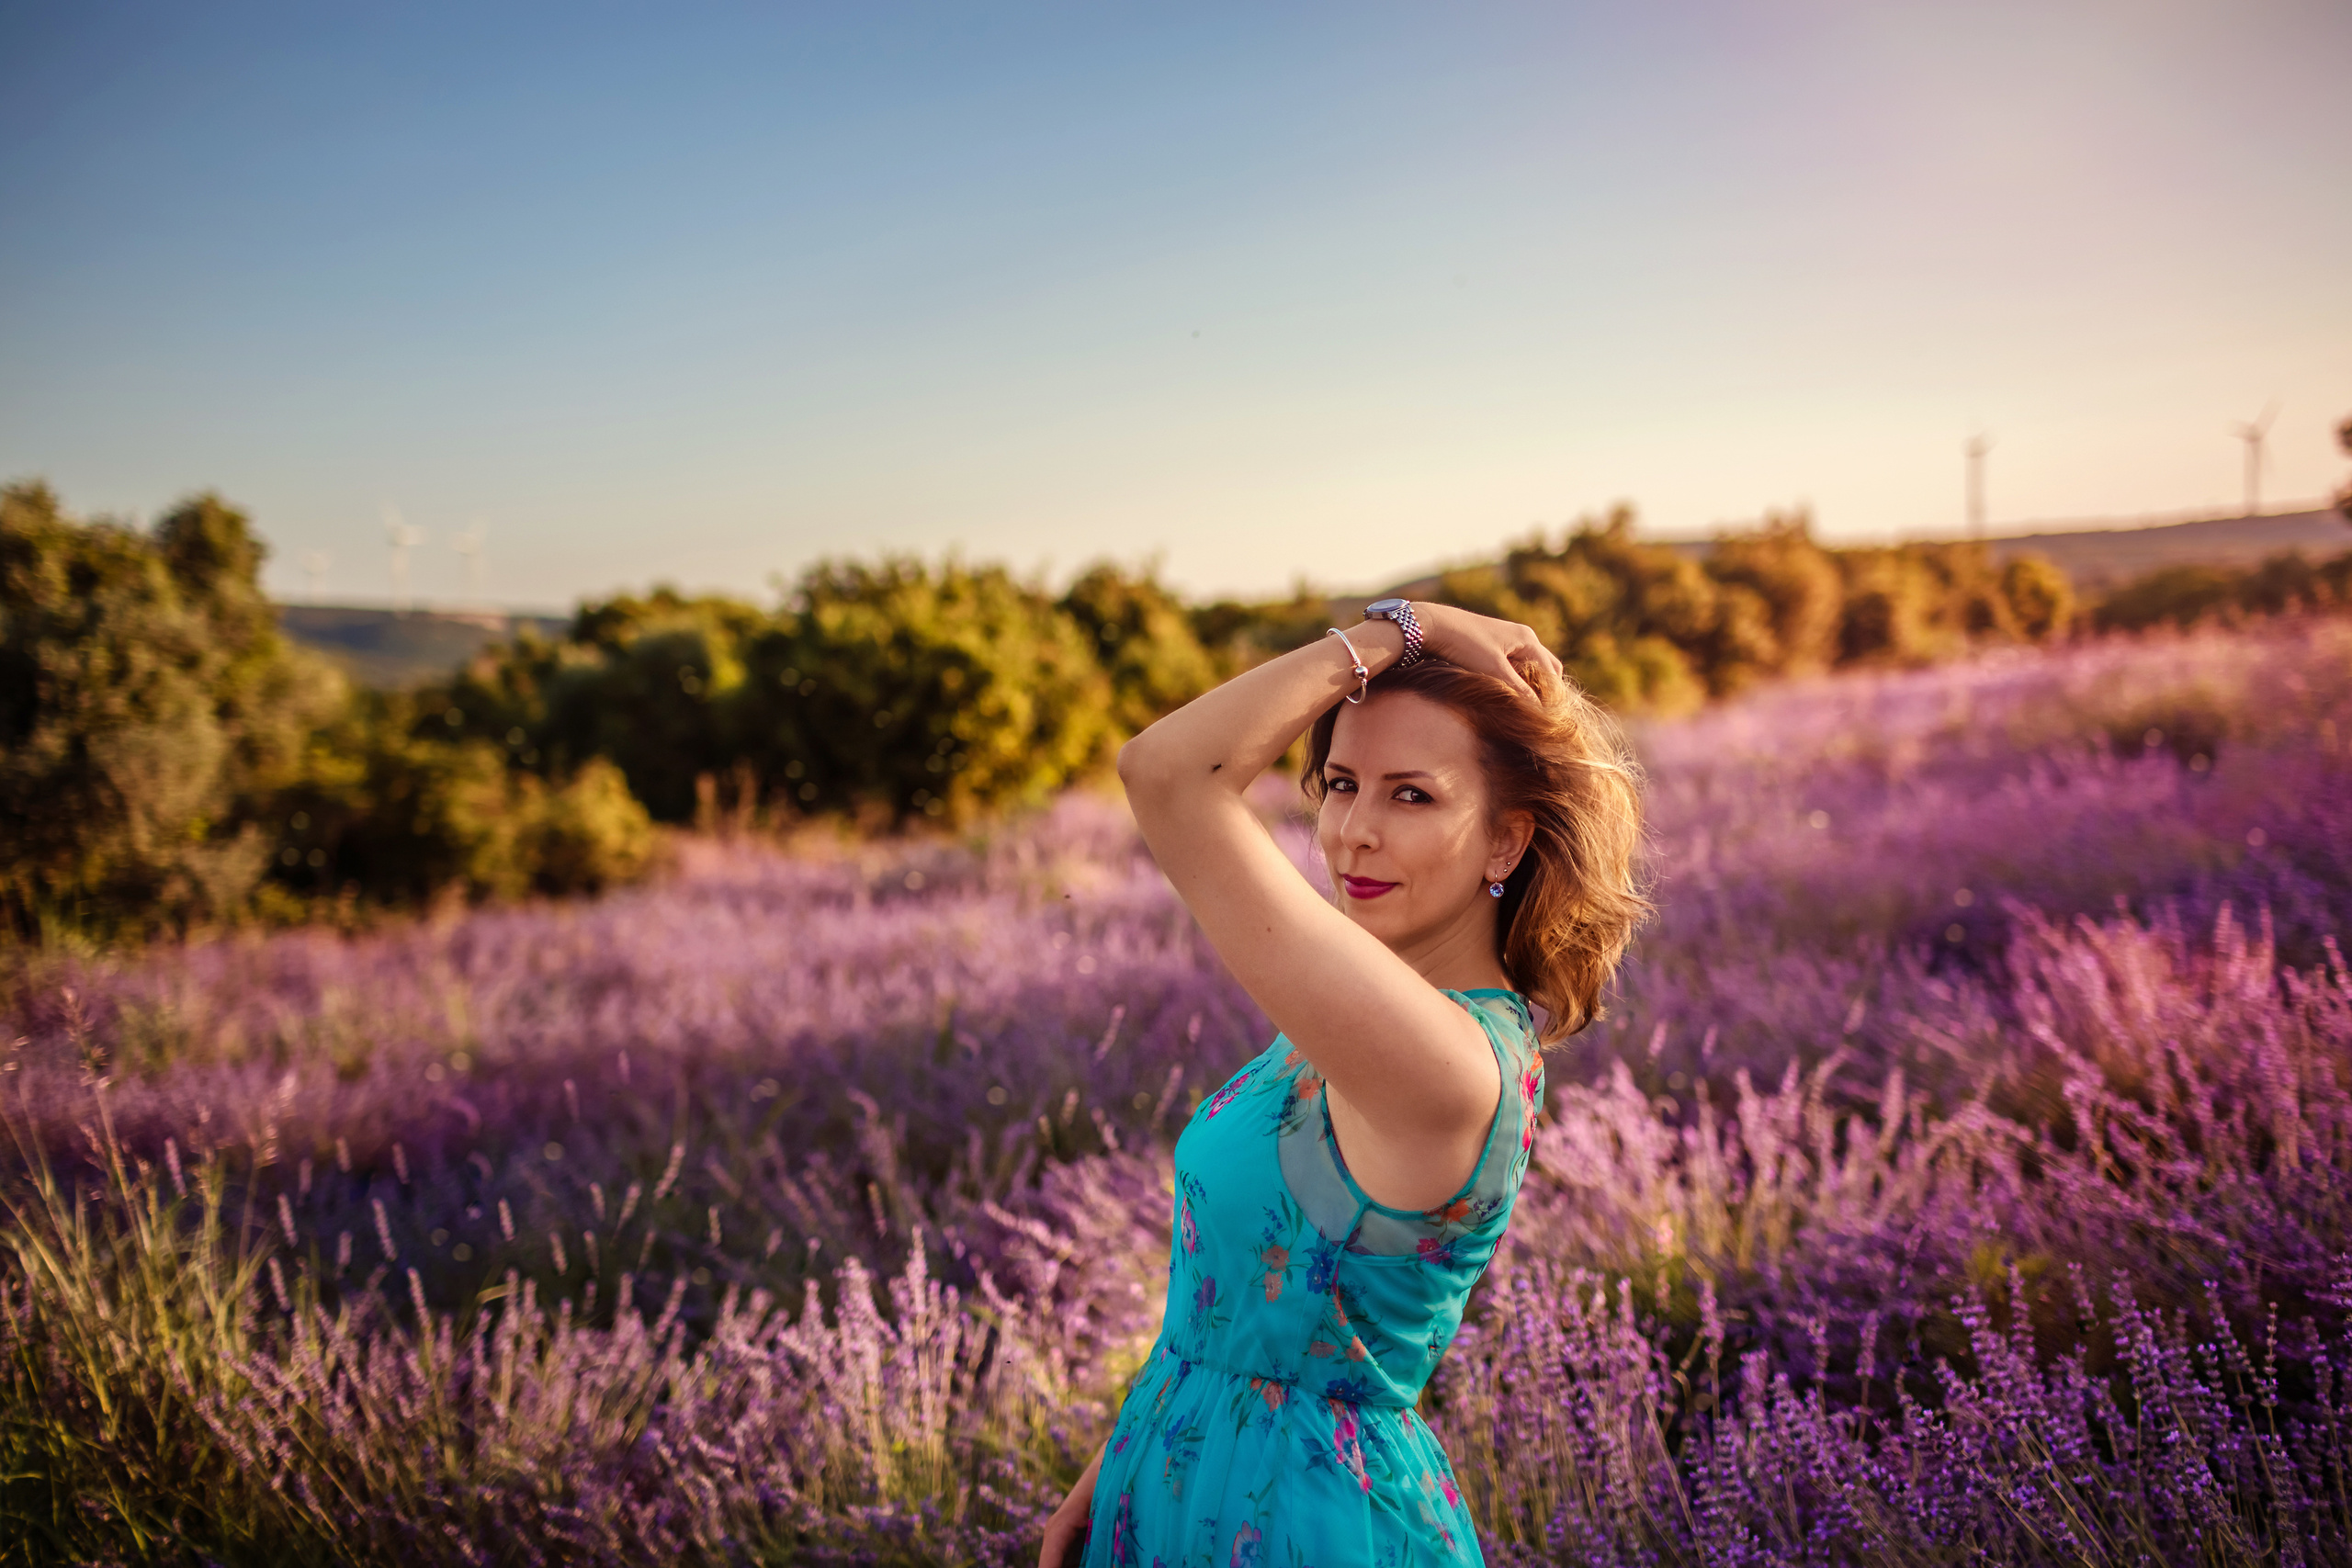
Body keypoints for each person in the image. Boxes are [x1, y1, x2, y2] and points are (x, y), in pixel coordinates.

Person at [1037, 600, 1649, 1567]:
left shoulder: (1440, 1060)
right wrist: (1128, 1454)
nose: (1353, 832)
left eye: (1412, 796)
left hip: (1304, 1525)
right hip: (1180, 1483)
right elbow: (1248, 1295)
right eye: (1339, 783)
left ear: (1503, 841)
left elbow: (1166, 773)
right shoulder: (1371, 1009)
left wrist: (1404, 628)